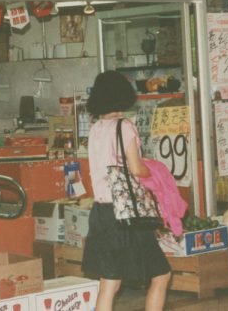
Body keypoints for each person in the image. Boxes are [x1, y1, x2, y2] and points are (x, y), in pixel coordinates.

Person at [81, 71, 170, 311]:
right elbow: (136, 169)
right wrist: (155, 171)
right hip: (127, 216)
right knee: (161, 274)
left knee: (109, 283)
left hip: (101, 213)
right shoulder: (125, 126)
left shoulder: (96, 128)